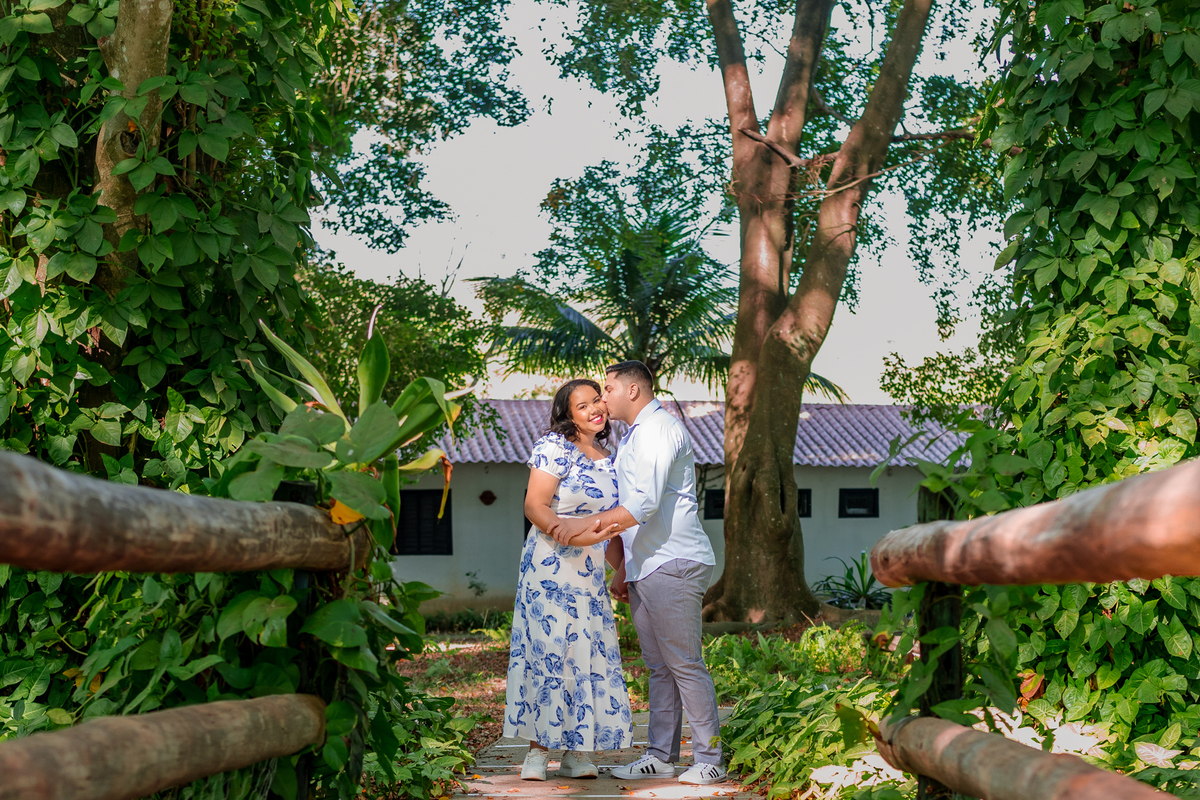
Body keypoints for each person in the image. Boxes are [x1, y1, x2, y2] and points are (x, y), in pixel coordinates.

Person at [551, 360, 726, 786]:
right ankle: (661, 756)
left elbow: (641, 505)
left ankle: (711, 759)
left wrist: (575, 529)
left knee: (684, 663)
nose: (603, 397)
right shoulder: (634, 437)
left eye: (607, 388)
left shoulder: (660, 430)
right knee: (659, 667)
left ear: (632, 390)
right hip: (648, 564)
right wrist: (625, 568)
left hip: (673, 561)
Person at [504, 378, 634, 781]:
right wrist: (564, 530)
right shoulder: (554, 447)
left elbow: (609, 527)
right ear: (568, 414)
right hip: (549, 568)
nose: (595, 408)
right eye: (583, 405)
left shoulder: (609, 457)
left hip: (589, 575)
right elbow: (534, 505)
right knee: (549, 650)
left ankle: (578, 752)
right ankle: (537, 753)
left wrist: (623, 570)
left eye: (598, 400)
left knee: (588, 656)